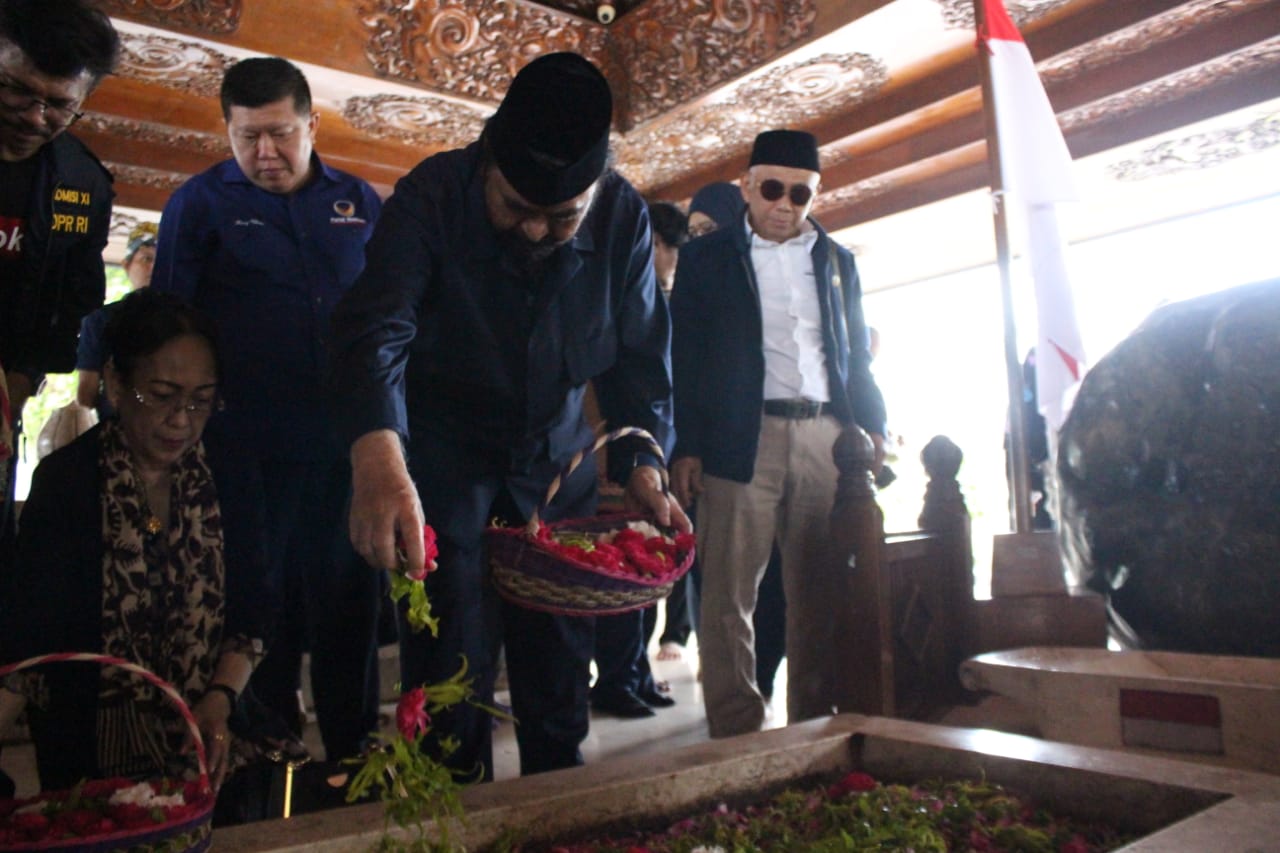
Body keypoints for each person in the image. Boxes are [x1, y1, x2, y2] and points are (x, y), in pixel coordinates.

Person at [328, 52, 688, 780]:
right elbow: (377, 329)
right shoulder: (432, 195)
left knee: (558, 690)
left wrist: (644, 463)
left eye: (559, 219)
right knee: (447, 691)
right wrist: (376, 455)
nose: (532, 232)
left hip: (554, 476)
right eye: (515, 209)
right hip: (438, 466)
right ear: (487, 161)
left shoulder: (622, 218)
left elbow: (641, 361)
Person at [151, 57, 384, 770]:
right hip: (245, 448)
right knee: (261, 606)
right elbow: (168, 323)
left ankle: (352, 758)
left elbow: (387, 317)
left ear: (312, 124)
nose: (265, 153)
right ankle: (267, 756)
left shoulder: (360, 202)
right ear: (227, 131)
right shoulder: (199, 204)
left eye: (281, 134)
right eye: (246, 137)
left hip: (346, 447)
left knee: (350, 605)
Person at [0, 288, 265, 796]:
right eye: (162, 396)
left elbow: (254, 611)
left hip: (213, 745)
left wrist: (219, 698)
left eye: (200, 401)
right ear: (116, 385)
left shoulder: (230, 474)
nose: (181, 420)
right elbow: (33, 632)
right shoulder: (68, 482)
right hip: (89, 762)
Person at [670, 129, 886, 737]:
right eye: (772, 189)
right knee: (727, 596)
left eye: (800, 193)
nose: (784, 204)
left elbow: (854, 359)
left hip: (826, 437)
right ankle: (737, 731)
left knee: (816, 594)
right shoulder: (705, 261)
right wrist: (685, 445)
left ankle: (812, 727)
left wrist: (874, 425)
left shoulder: (839, 263)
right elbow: (684, 356)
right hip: (741, 439)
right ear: (747, 187)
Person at [0, 0, 118, 558]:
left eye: (59, 105)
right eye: (16, 89)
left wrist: (17, 389)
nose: (33, 116)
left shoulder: (82, 184)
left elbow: (71, 305)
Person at [590, 200, 689, 718]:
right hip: (612, 445)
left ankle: (635, 671)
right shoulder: (607, 293)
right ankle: (615, 678)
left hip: (654, 449)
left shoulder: (664, 304)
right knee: (617, 566)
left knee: (643, 567)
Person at [76, 220, 159, 417]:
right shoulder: (99, 321)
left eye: (160, 260)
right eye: (146, 259)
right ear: (126, 265)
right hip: (114, 428)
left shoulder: (181, 320)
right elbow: (86, 392)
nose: (153, 268)